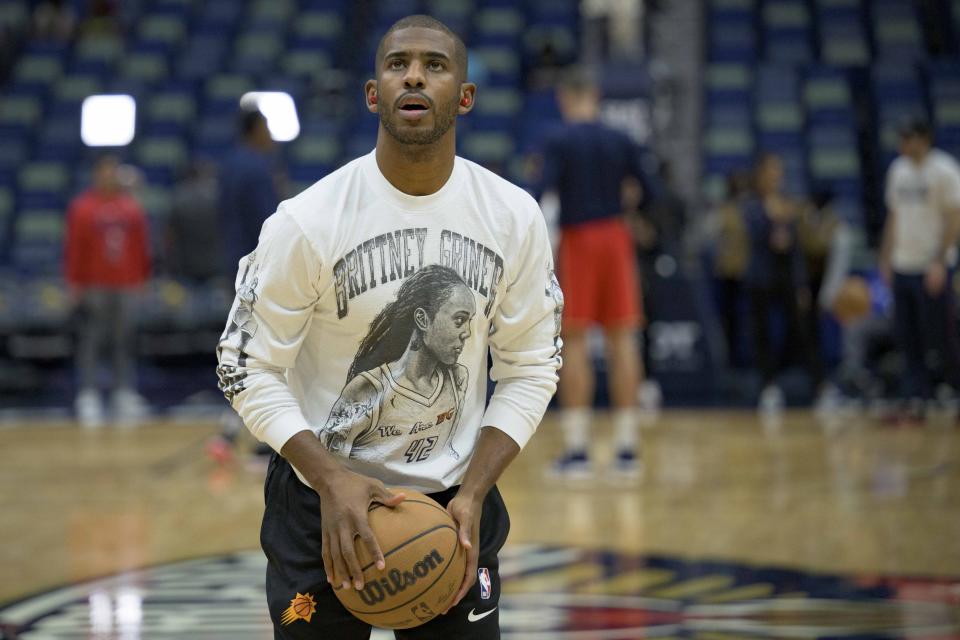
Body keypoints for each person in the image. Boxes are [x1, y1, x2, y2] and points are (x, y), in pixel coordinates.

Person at [215, 15, 562, 639]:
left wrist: (477, 490)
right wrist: (332, 478)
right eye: (398, 63)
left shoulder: (514, 217)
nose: (415, 76)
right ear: (374, 92)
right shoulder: (307, 221)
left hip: (453, 510)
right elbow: (245, 364)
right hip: (318, 506)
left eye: (435, 65)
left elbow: (530, 366)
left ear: (465, 94)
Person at [539, 66, 650, 478]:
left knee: (577, 342)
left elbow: (542, 191)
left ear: (564, 98)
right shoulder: (621, 140)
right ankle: (626, 450)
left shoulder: (559, 139)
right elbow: (649, 191)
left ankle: (578, 451)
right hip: (616, 236)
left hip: (579, 240)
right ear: (596, 97)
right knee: (623, 340)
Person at [879, 118, 960, 418]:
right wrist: (886, 258)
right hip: (903, 264)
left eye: (908, 138)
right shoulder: (897, 170)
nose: (903, 145)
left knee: (942, 335)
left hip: (932, 266)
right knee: (907, 336)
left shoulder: (945, 170)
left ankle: (954, 389)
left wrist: (940, 261)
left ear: (924, 139)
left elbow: (955, 218)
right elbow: (894, 216)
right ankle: (918, 398)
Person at [64, 154, 151, 427]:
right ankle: (89, 394)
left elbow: (141, 247)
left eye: (113, 172)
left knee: (122, 340)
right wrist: (74, 282)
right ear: (95, 174)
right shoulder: (82, 208)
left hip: (125, 284)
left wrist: (142, 279)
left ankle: (123, 393)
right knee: (92, 340)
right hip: (94, 285)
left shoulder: (131, 208)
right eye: (104, 171)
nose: (109, 176)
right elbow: (74, 248)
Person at [743, 153, 825, 412]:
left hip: (787, 277)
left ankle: (821, 387)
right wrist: (774, 223)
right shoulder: (752, 204)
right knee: (762, 334)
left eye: (778, 170)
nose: (775, 175)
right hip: (760, 276)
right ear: (760, 174)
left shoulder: (789, 202)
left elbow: (796, 247)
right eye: (770, 170)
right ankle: (768, 387)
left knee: (802, 330)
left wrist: (801, 283)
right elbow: (756, 235)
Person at [219, 108, 281, 275]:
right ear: (256, 130)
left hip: (232, 252)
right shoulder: (256, 168)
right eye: (266, 128)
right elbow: (267, 220)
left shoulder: (230, 163)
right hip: (255, 257)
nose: (269, 134)